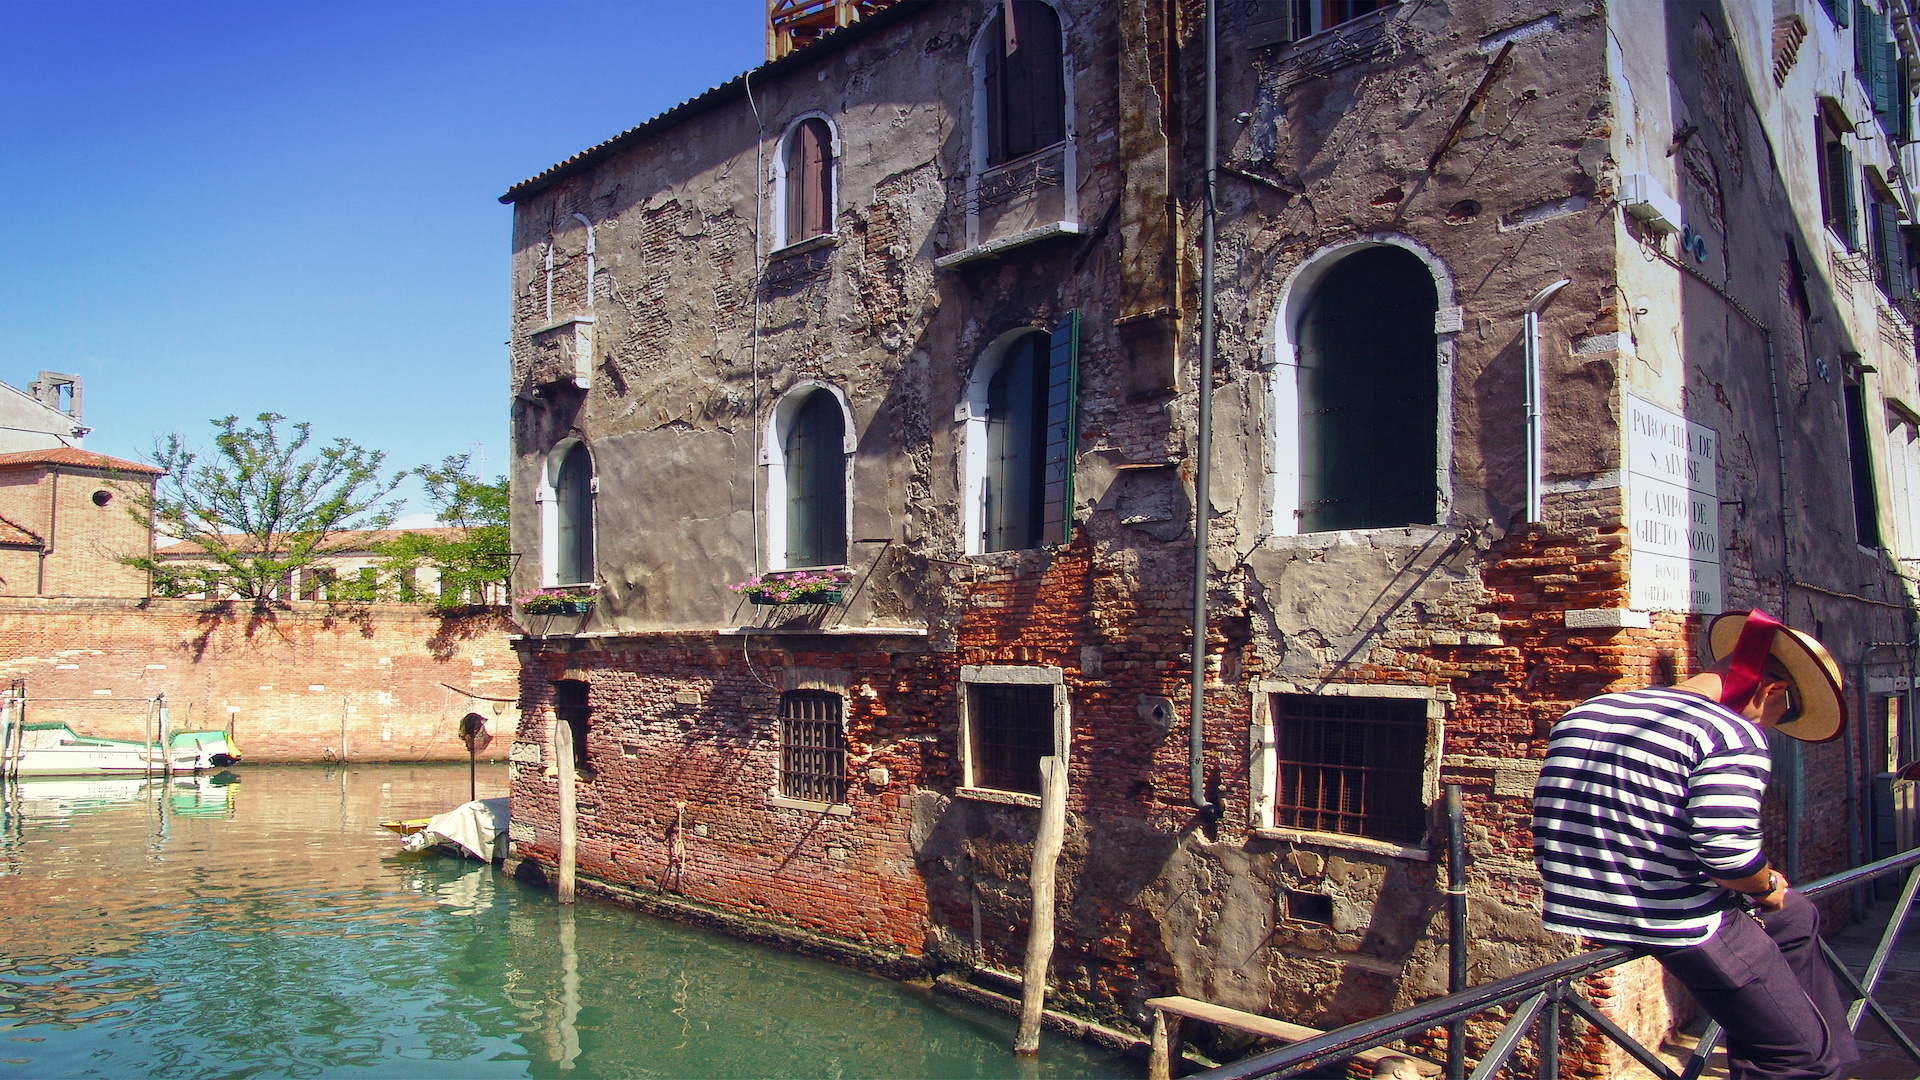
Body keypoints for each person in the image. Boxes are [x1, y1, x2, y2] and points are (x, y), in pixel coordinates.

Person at [1532, 609, 1859, 1080]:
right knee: (1804, 1057)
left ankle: (1797, 1031)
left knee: (1794, 915)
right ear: (1772, 689)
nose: (1770, 726)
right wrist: (1764, 885)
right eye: (1780, 715)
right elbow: (1727, 856)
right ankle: (1809, 1050)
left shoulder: (1591, 709)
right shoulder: (1731, 733)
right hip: (1670, 917)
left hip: (1580, 902)